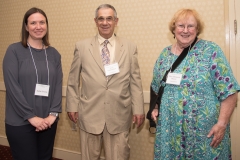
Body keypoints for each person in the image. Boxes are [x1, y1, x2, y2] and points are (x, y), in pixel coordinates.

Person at [150, 8, 240, 160]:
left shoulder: (211, 52)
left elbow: (230, 91)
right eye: (181, 26)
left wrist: (222, 124)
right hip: (170, 134)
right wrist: (156, 108)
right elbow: (156, 87)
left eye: (190, 26)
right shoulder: (164, 55)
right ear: (174, 28)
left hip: (204, 135)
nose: (185, 30)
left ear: (197, 29)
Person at [66, 4, 145, 160]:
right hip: (89, 114)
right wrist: (72, 105)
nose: (105, 22)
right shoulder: (81, 47)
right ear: (95, 21)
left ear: (116, 21)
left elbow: (135, 80)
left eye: (109, 18)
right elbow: (72, 80)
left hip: (119, 115)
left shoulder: (130, 47)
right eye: (101, 19)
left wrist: (139, 109)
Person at [2, 7, 62, 160]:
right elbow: (13, 88)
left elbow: (57, 87)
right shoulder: (14, 51)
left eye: (42, 22)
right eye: (33, 23)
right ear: (26, 27)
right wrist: (31, 117)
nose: (38, 26)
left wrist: (53, 115)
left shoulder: (54, 54)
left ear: (47, 25)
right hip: (20, 122)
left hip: (48, 122)